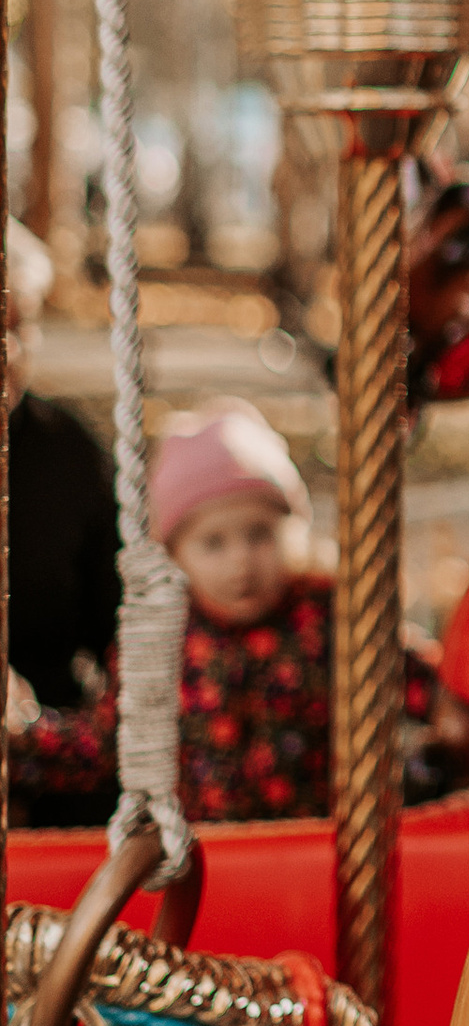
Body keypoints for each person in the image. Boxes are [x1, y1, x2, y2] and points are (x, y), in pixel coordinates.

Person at [6, 401, 427, 825]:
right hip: (212, 854)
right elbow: (108, 741)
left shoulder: (328, 615)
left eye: (260, 535)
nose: (241, 562)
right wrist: (26, 741)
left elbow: (418, 682)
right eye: (213, 543)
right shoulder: (161, 638)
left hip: (319, 843)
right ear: (175, 555)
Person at [5, 220, 119, 717]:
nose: (6, 351)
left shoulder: (69, 451)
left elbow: (115, 623)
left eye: (17, 326)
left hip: (53, 742)